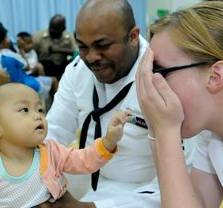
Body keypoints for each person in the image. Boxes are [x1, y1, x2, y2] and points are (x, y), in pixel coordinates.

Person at [44, 0, 196, 207]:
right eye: (82, 46)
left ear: (133, 36)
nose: (92, 57)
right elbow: (54, 132)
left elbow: (185, 177)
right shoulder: (77, 70)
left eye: (102, 45)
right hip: (90, 182)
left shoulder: (165, 78)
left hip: (143, 193)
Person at [136, 1, 223, 207]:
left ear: (216, 76)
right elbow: (197, 202)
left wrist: (166, 130)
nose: (151, 88)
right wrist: (156, 129)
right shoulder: (212, 130)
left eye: (160, 72)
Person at [0, 82, 132, 207]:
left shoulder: (52, 152)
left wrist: (108, 141)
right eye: (24, 110)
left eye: (40, 109)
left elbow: (85, 161)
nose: (38, 115)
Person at [32, 14, 77, 80]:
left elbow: (77, 52)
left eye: (55, 29)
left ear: (63, 29)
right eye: (51, 28)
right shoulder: (38, 36)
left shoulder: (69, 37)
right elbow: (32, 55)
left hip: (62, 68)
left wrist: (58, 50)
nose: (52, 31)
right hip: (45, 70)